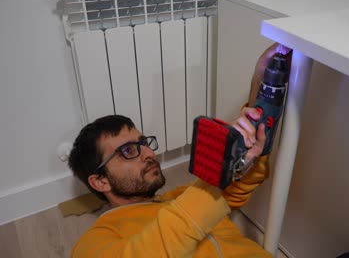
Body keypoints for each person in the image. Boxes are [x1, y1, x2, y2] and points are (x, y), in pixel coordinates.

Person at [68, 43, 289, 257]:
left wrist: (259, 83)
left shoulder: (179, 197)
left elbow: (236, 189)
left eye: (144, 143)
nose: (149, 153)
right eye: (128, 151)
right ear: (100, 181)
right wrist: (215, 172)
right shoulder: (95, 240)